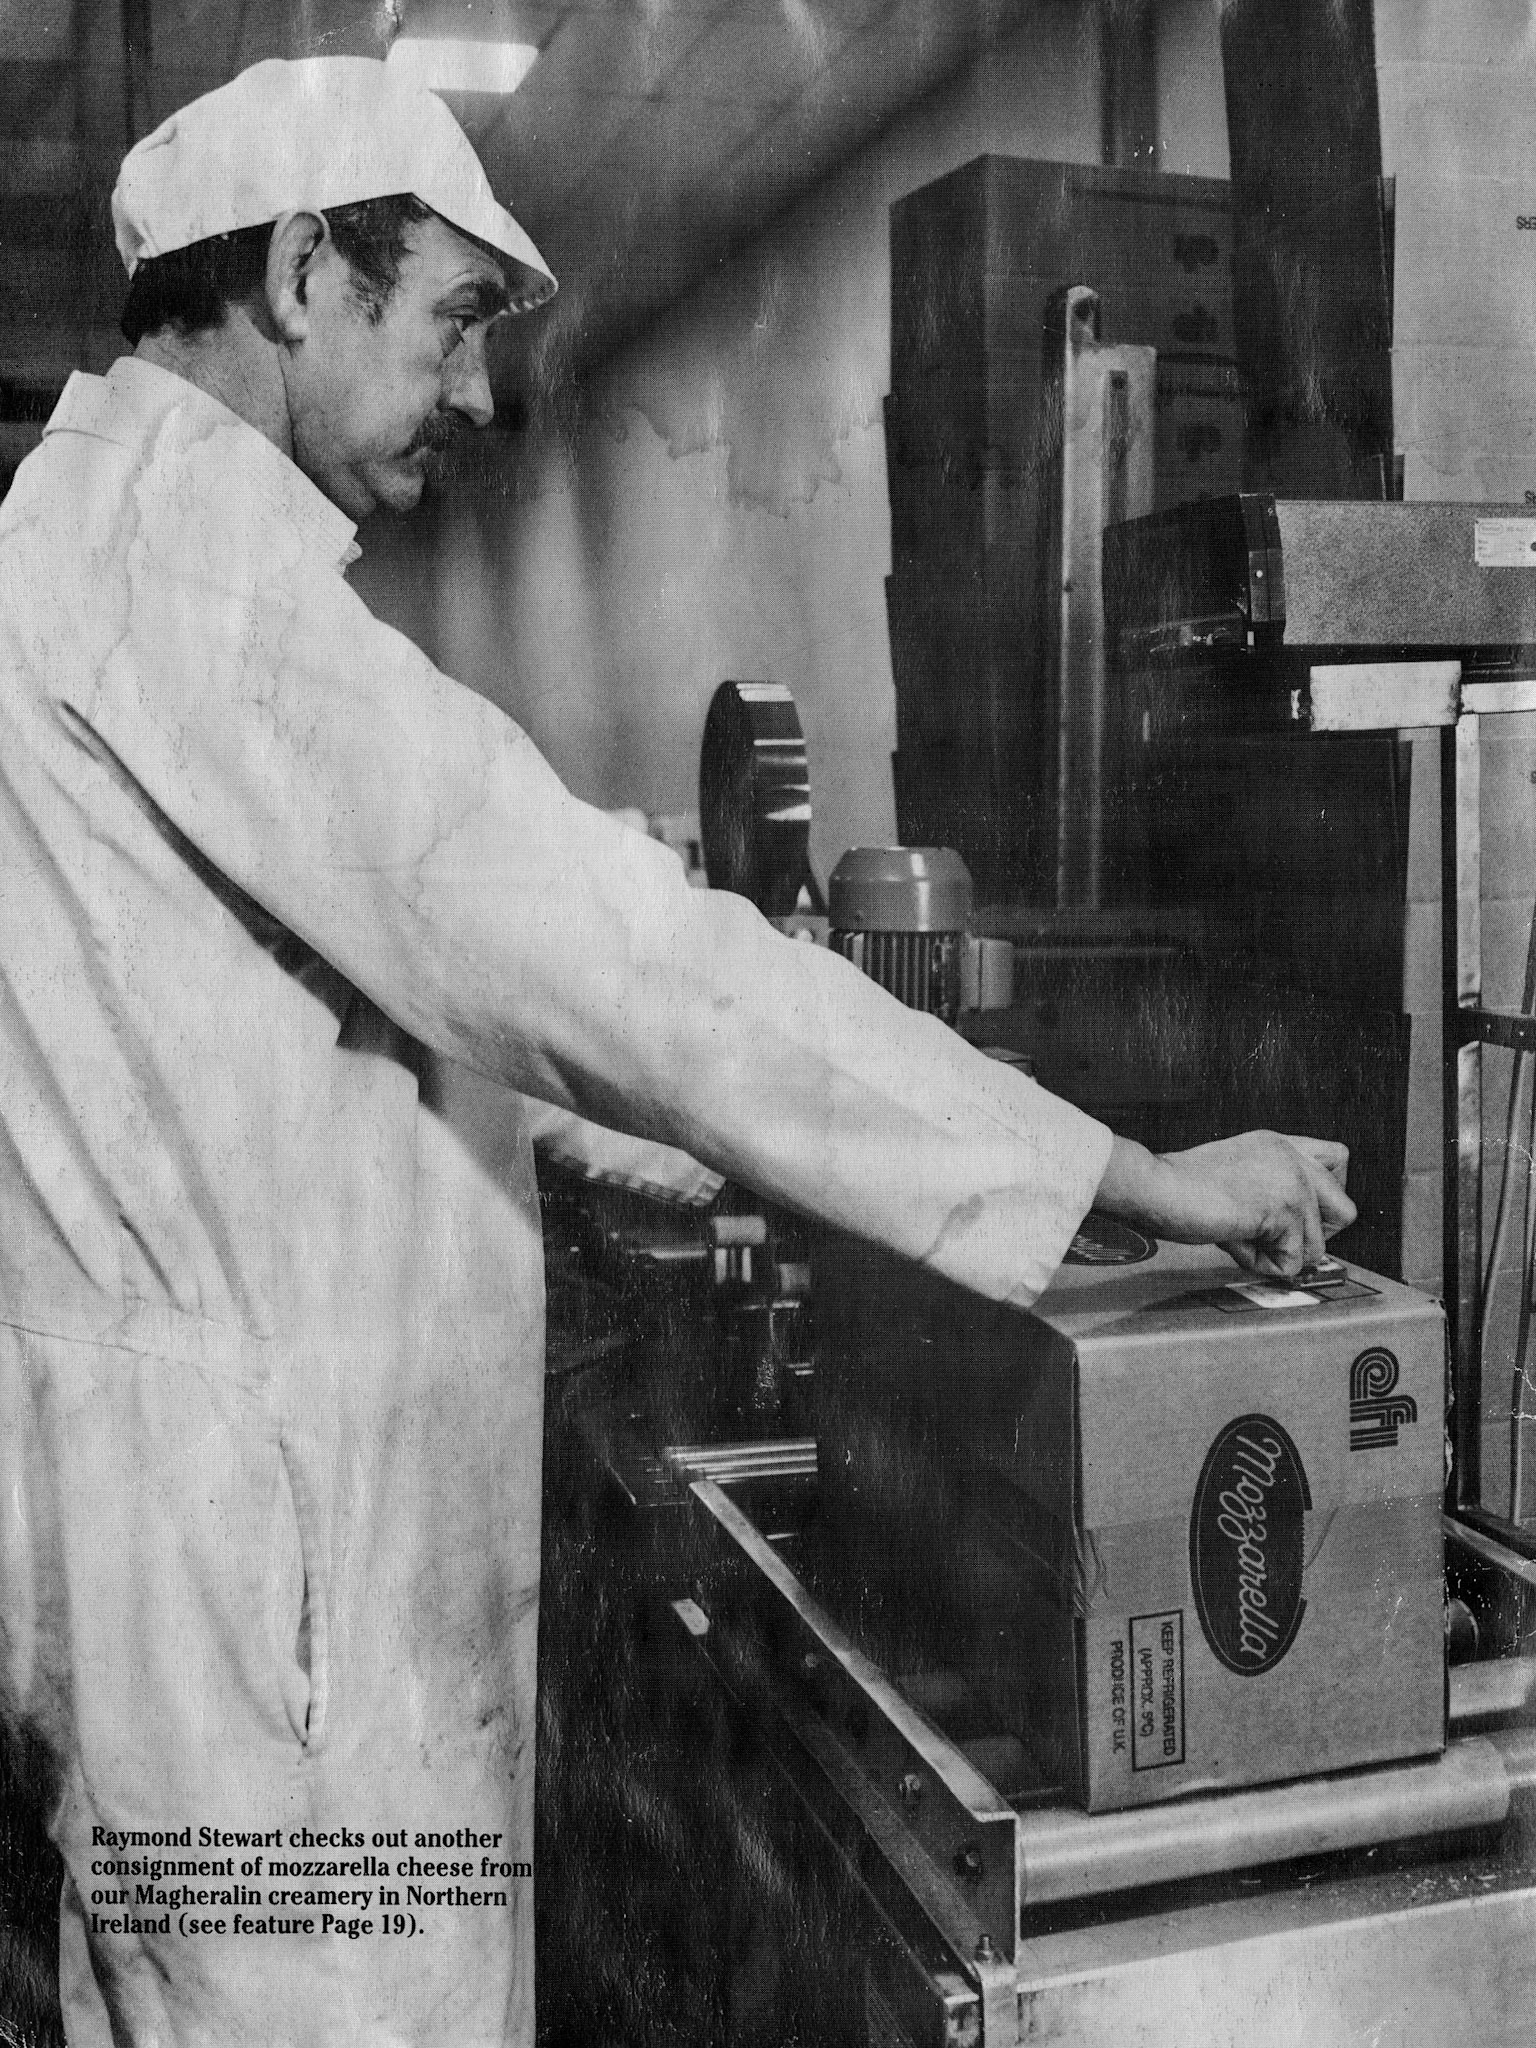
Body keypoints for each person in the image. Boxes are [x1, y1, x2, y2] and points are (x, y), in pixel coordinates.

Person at [0, 53, 1353, 2048]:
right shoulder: (181, 584)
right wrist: (1130, 1177)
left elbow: (319, 1054)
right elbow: (619, 959)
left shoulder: (86, 548)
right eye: (458, 314)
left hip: (202, 1626)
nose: (484, 393)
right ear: (299, 277)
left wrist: (693, 1153)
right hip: (275, 1680)